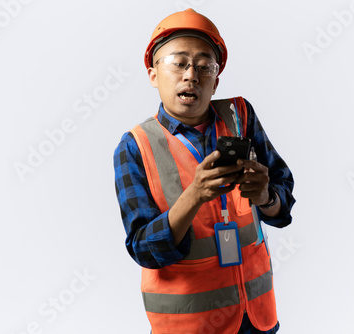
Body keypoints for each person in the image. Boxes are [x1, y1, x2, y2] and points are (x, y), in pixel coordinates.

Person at [114, 8, 295, 334]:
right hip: (189, 325)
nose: (191, 75)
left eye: (204, 66)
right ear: (153, 75)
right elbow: (143, 248)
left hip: (257, 317)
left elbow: (283, 201)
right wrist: (193, 196)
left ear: (216, 80)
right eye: (178, 63)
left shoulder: (239, 116)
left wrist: (267, 197)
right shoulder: (135, 146)